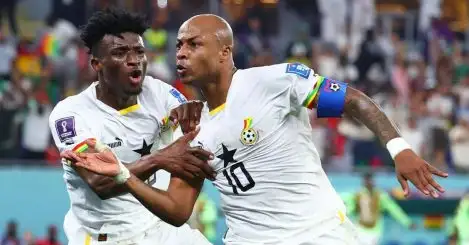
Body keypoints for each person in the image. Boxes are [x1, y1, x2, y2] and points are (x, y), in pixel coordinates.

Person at [64, 14, 449, 244]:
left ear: (224, 52)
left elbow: (354, 101)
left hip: (317, 235)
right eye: (179, 45)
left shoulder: (275, 81)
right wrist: (124, 175)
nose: (180, 53)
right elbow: (178, 210)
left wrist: (399, 148)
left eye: (194, 44)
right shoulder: (193, 132)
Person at [48, 9, 215, 245]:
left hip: (157, 226)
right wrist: (160, 159)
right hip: (105, 236)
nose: (133, 60)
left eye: (139, 51)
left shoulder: (160, 93)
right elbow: (101, 183)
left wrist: (195, 112)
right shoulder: (70, 115)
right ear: (97, 63)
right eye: (120, 53)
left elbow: (197, 133)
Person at [341, 173, 416, 245]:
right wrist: (343, 216)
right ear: (363, 182)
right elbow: (349, 207)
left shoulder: (381, 196)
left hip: (375, 231)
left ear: (373, 181)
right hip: (360, 228)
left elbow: (394, 210)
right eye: (367, 180)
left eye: (370, 180)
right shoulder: (357, 195)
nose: (369, 182)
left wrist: (407, 222)